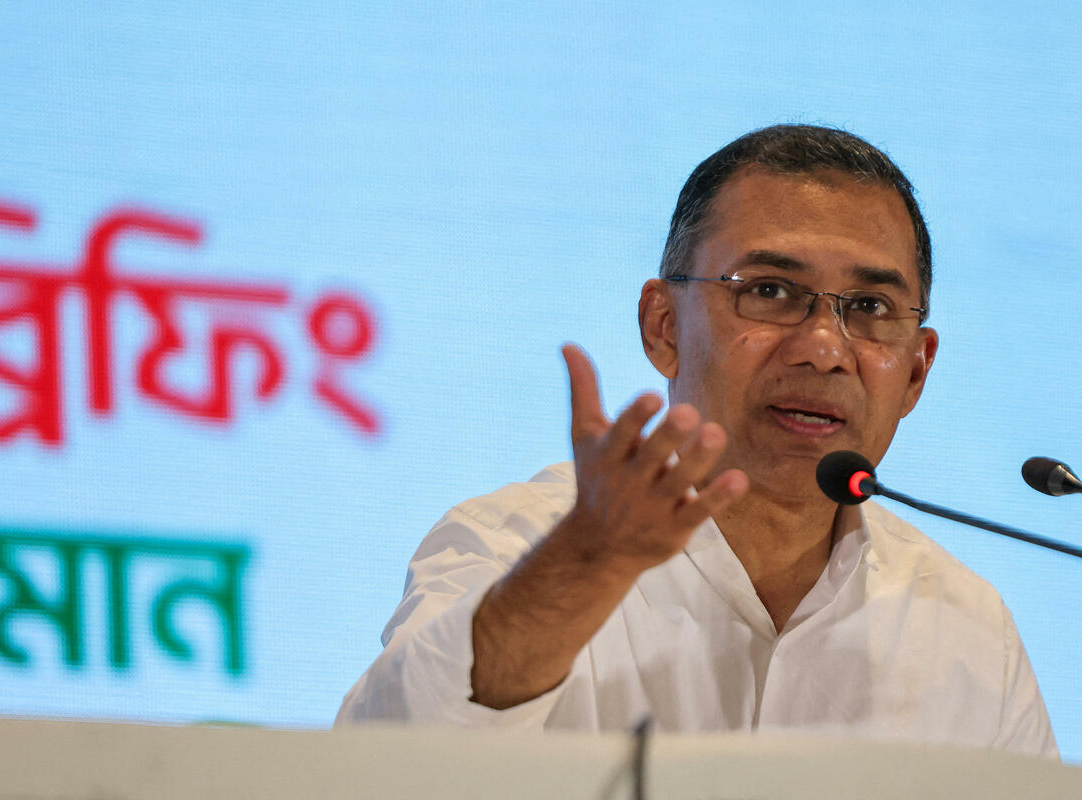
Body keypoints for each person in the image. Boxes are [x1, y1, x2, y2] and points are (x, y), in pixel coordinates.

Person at [335, 124, 1058, 758]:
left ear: (917, 371)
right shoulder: (509, 545)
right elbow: (382, 771)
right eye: (769, 291)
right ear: (663, 326)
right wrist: (587, 564)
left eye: (870, 306)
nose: (823, 350)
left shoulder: (968, 632)